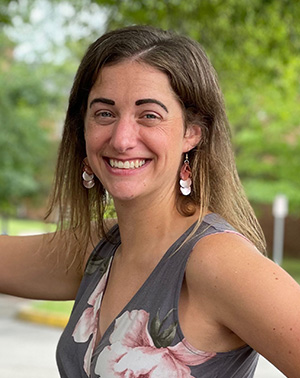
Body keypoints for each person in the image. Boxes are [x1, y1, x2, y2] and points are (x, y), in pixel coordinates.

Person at [1, 25, 300, 377]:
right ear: (82, 129)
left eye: (149, 115)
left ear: (192, 132)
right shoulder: (101, 250)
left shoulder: (217, 262)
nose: (122, 139)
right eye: (105, 113)